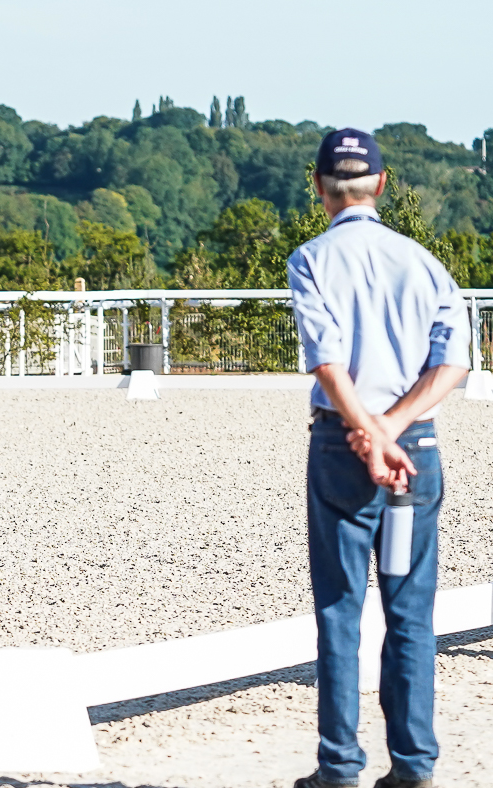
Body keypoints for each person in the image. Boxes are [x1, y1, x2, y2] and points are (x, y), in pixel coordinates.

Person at [289, 128, 469, 788]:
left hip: (343, 445)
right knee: (409, 611)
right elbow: (454, 361)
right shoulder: (423, 263)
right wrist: (392, 429)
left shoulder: (311, 259)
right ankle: (414, 763)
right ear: (383, 184)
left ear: (319, 187)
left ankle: (339, 765)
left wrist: (365, 430)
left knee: (341, 609)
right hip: (412, 451)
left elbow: (327, 362)